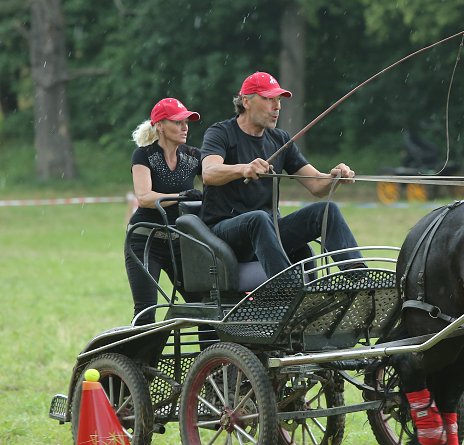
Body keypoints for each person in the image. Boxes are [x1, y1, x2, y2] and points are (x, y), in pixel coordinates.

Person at [199, 71, 363, 280]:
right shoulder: (220, 133)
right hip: (224, 236)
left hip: (268, 233)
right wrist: (243, 169)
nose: (277, 106)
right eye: (269, 99)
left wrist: (335, 177)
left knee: (326, 211)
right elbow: (209, 172)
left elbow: (316, 185)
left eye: (279, 100)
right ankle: (287, 288)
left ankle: (359, 279)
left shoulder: (280, 140)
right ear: (246, 102)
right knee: (258, 218)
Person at [125, 98, 204, 325]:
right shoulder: (143, 155)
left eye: (186, 122)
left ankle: (212, 350)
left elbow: (216, 183)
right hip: (145, 241)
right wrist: (182, 196)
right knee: (146, 310)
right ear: (160, 126)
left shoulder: (194, 156)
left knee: (204, 307)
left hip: (180, 242)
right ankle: (142, 350)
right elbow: (144, 198)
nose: (185, 127)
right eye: (178, 122)